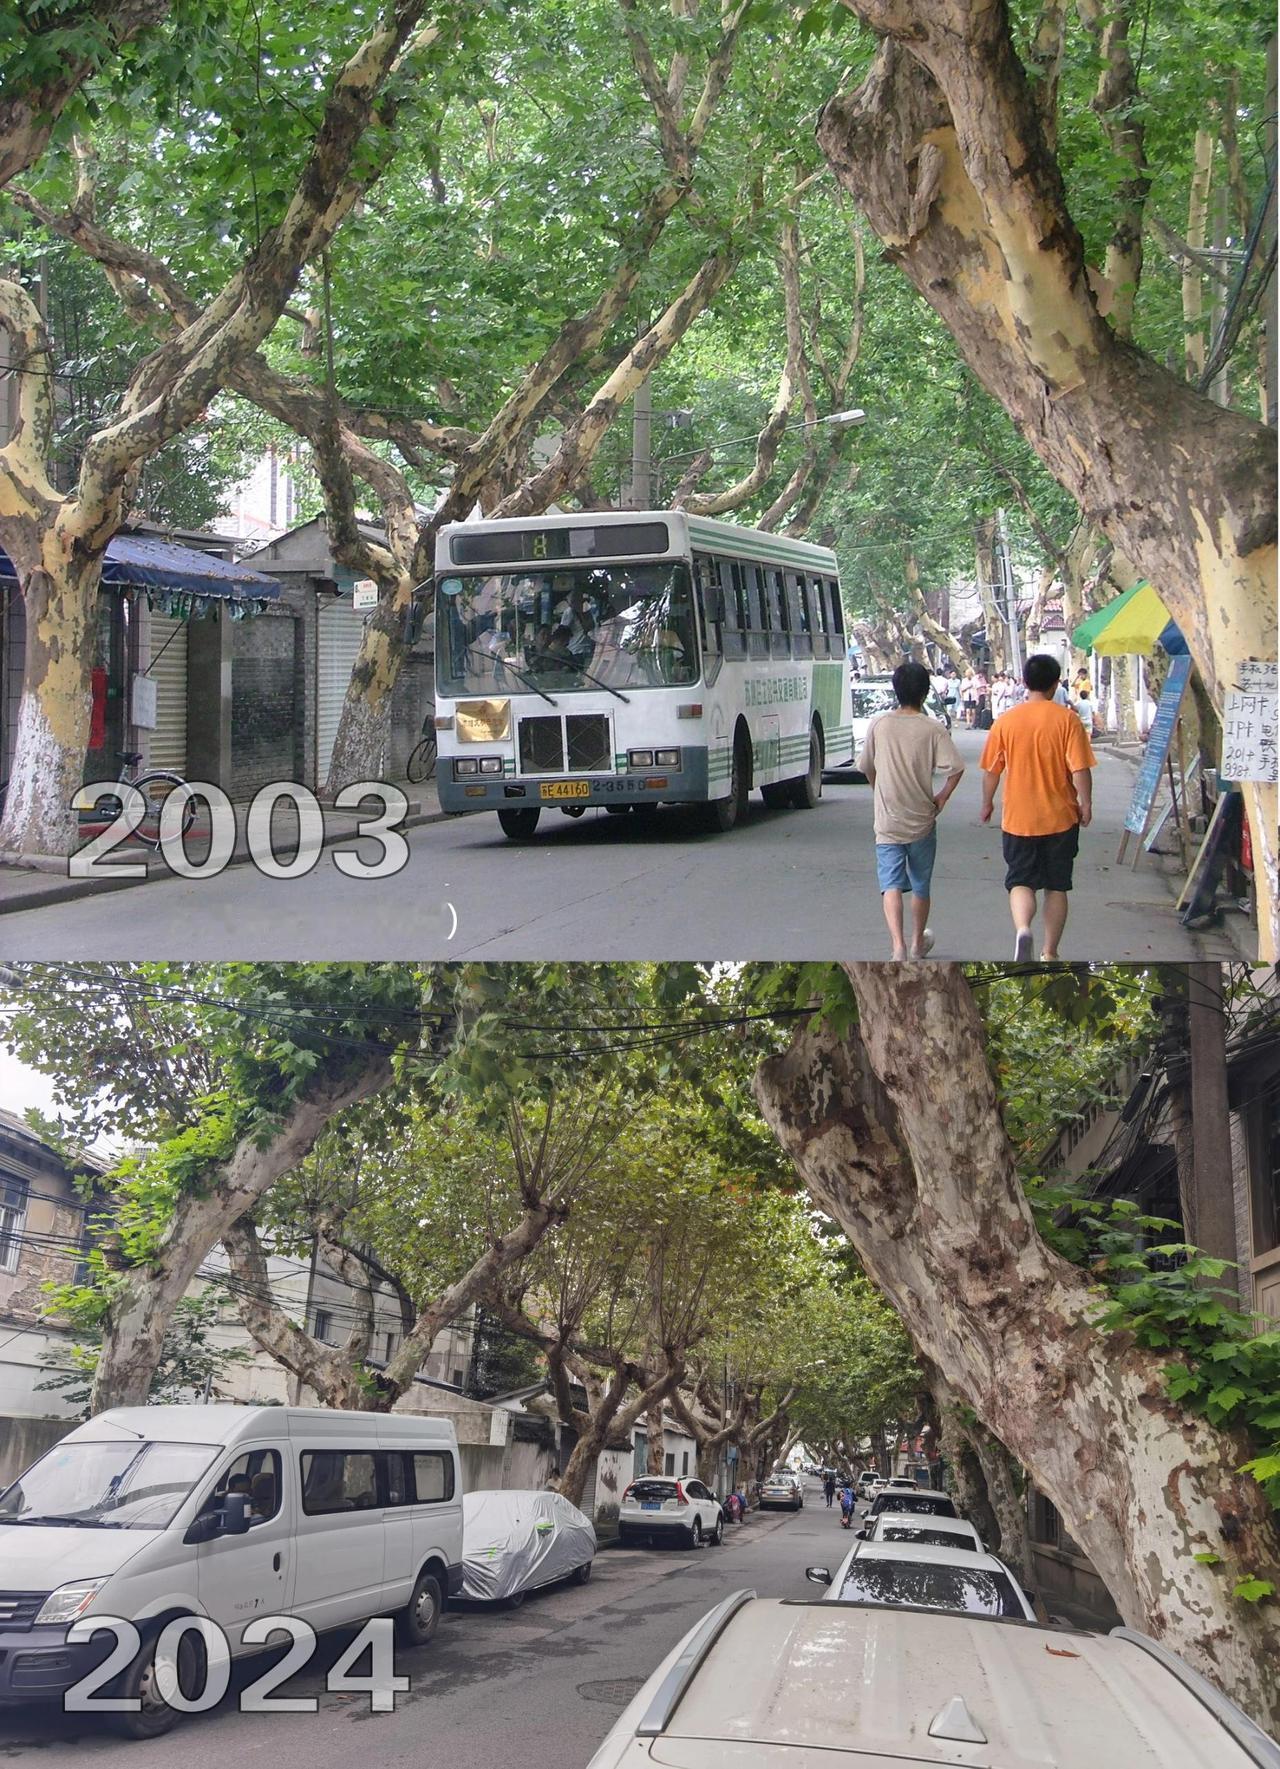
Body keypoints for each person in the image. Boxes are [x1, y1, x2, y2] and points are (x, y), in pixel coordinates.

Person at [980, 653, 1097, 961]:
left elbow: (992, 771)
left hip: (1018, 819)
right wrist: (1086, 804)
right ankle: (1049, 951)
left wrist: (986, 803)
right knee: (1057, 886)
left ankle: (1022, 929)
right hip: (1060, 818)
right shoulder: (1068, 721)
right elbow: (1080, 770)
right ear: (1056, 684)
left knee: (1020, 880)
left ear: (1025, 683)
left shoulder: (1006, 722)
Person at [856, 660, 966, 961]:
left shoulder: (879, 724)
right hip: (922, 819)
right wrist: (941, 797)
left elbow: (866, 767)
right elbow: (955, 769)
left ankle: (898, 947)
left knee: (890, 884)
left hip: (887, 820)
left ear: (895, 690)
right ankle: (918, 943)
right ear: (925, 693)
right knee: (920, 883)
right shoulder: (933, 728)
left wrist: (878, 788)